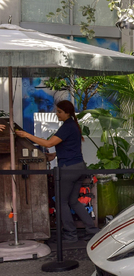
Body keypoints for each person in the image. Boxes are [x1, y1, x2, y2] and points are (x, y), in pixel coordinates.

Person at [16, 100, 99, 242]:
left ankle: (70, 234)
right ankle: (92, 230)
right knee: (73, 201)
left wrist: (27, 135)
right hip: (79, 167)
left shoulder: (67, 126)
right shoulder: (72, 125)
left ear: (68, 113)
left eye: (60, 111)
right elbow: (69, 147)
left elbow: (49, 143)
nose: (57, 114)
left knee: (61, 202)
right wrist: (54, 155)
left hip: (68, 169)